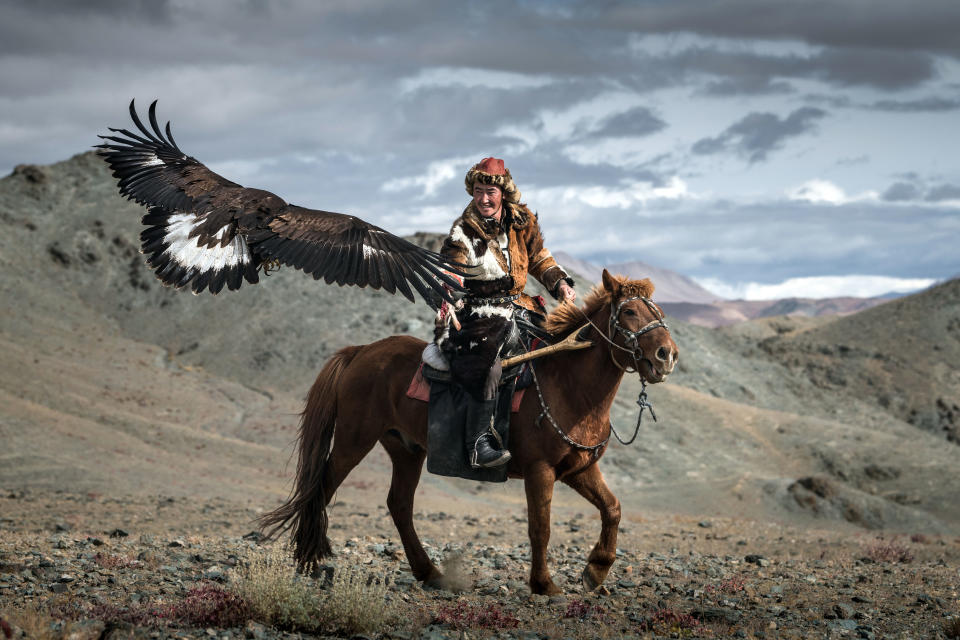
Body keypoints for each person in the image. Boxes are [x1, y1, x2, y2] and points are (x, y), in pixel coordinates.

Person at [432, 157, 575, 469]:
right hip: (478, 312)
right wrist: (448, 297)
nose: (484, 198)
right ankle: (478, 443)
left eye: (490, 192)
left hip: (520, 307)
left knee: (560, 348)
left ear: (503, 193)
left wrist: (560, 283)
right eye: (479, 191)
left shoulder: (522, 221)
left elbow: (539, 257)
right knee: (488, 361)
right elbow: (452, 272)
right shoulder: (463, 231)